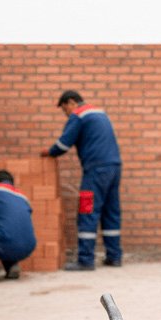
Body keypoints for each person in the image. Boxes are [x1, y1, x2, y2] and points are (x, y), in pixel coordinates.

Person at [41, 90, 122, 270]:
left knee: (87, 211)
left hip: (96, 170)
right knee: (111, 211)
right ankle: (114, 256)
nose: (66, 114)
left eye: (65, 110)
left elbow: (64, 143)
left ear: (71, 102)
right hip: (114, 167)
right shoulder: (100, 113)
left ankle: (85, 260)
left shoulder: (79, 115)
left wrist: (49, 152)